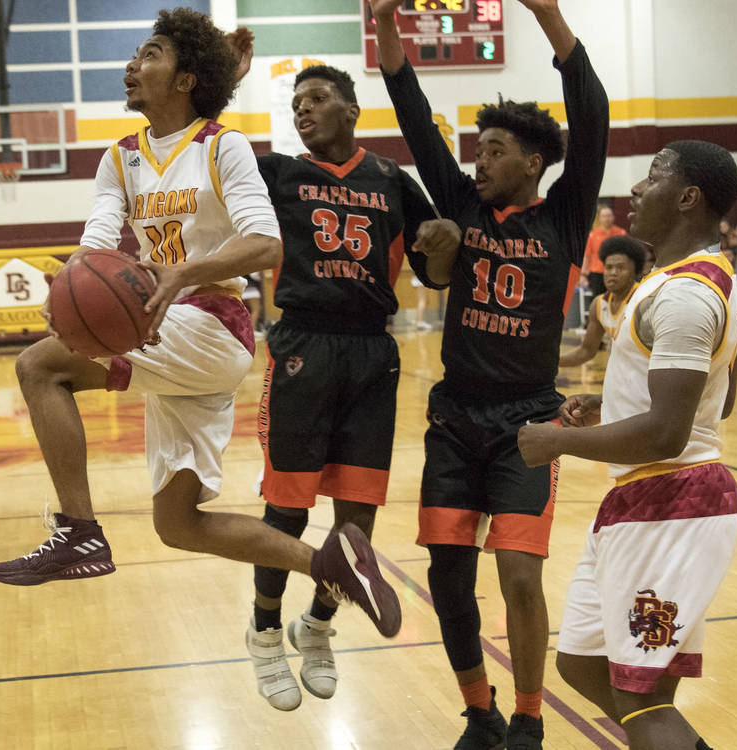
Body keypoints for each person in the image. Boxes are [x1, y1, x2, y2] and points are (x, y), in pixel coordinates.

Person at [0, 9, 402, 643]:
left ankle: (77, 531)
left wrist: (180, 272)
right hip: (167, 327)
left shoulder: (221, 145)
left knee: (38, 366)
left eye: (149, 54)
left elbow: (265, 245)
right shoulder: (119, 159)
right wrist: (68, 289)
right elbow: (97, 242)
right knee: (177, 524)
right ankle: (331, 566)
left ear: (185, 79)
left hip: (212, 324)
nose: (132, 65)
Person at [373, 0, 609, 746]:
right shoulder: (464, 205)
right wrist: (386, 29)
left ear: (534, 162)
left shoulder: (565, 217)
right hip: (454, 419)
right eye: (480, 147)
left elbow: (591, 108)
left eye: (496, 148)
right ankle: (479, 710)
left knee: (516, 575)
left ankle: (531, 718)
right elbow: (414, 116)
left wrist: (545, 12)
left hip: (526, 424)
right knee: (447, 577)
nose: (481, 158)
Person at [230, 32, 458, 710]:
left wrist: (444, 245)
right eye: (297, 103)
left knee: (356, 520)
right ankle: (266, 631)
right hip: (303, 344)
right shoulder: (278, 175)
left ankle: (319, 623)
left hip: (370, 352)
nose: (305, 111)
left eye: (319, 99)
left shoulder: (392, 181)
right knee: (287, 511)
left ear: (352, 110)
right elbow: (211, 171)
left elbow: (434, 274)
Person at [517, 140, 737, 750]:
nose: (637, 191)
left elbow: (671, 432)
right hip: (639, 502)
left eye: (653, 177)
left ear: (689, 197)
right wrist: (615, 405)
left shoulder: (687, 296)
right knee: (581, 662)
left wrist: (560, 441)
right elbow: (718, 397)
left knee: (640, 700)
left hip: (674, 504)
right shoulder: (681, 280)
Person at [559, 236, 645, 368]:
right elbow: (586, 351)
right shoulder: (599, 304)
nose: (613, 273)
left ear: (634, 272)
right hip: (620, 379)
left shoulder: (643, 299)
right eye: (609, 267)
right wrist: (550, 363)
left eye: (620, 268)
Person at [579, 206, 627, 296]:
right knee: (598, 299)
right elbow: (587, 256)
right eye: (604, 216)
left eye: (609, 216)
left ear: (613, 217)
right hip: (597, 273)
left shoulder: (621, 233)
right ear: (600, 218)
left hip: (616, 272)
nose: (607, 219)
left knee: (617, 297)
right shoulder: (592, 235)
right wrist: (583, 275)